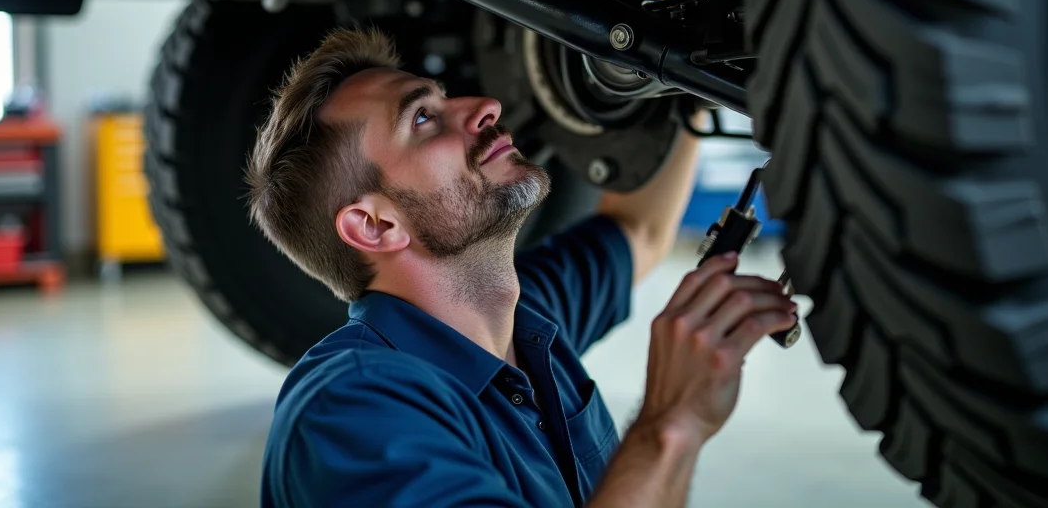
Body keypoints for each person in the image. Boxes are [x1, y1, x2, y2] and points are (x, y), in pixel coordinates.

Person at [247, 27, 798, 508]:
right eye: (423, 118)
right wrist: (669, 424)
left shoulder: (526, 317)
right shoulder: (351, 411)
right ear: (375, 226)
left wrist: (682, 72)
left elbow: (639, 230)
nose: (484, 106)